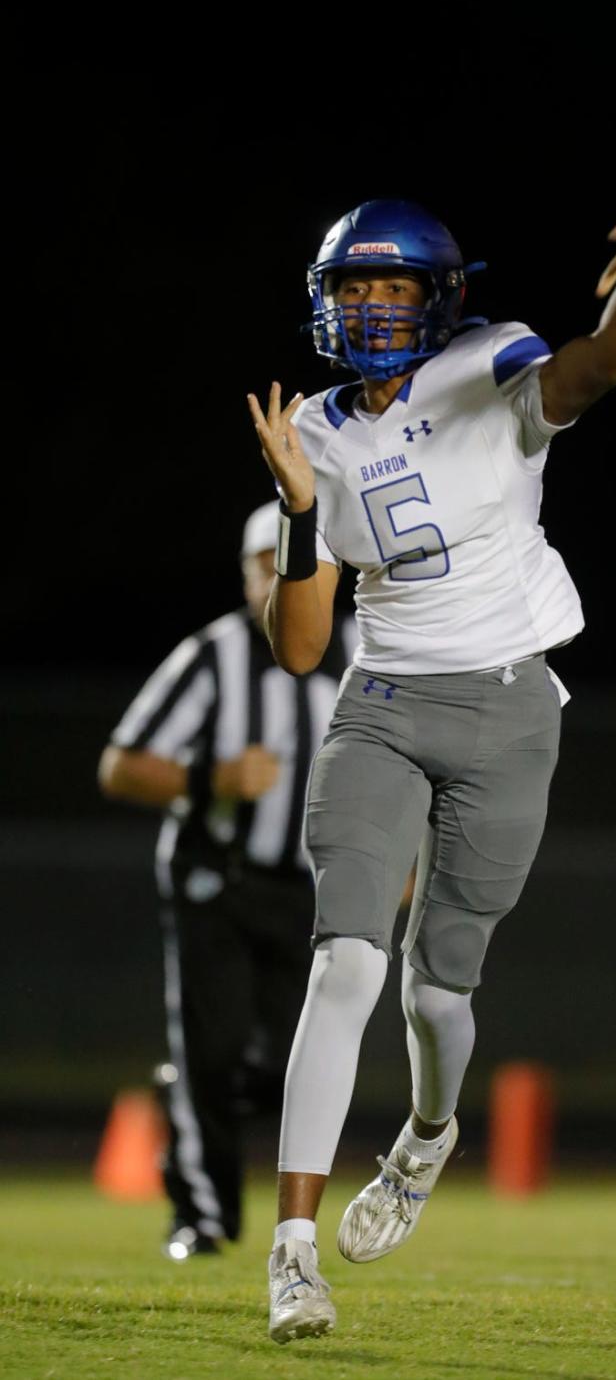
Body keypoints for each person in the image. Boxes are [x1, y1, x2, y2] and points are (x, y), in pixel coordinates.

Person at [247, 199, 616, 1343]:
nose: (371, 306)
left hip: (508, 707)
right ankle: (291, 1256)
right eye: (354, 287)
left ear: (436, 297)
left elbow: (597, 369)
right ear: (323, 299)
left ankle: (427, 1138)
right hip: (381, 706)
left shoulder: (489, 361)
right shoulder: (320, 435)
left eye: (393, 287)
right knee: (344, 959)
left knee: (437, 987)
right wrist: (299, 508)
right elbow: (301, 646)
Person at [98, 501, 356, 1259]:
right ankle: (202, 1215)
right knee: (211, 1051)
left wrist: (401, 851)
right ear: (247, 574)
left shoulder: (366, 653)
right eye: (264, 565)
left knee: (285, 1062)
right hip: (219, 876)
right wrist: (212, 776)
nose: (279, 579)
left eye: (294, 563)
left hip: (310, 891)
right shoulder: (212, 656)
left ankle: (207, 1090)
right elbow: (120, 764)